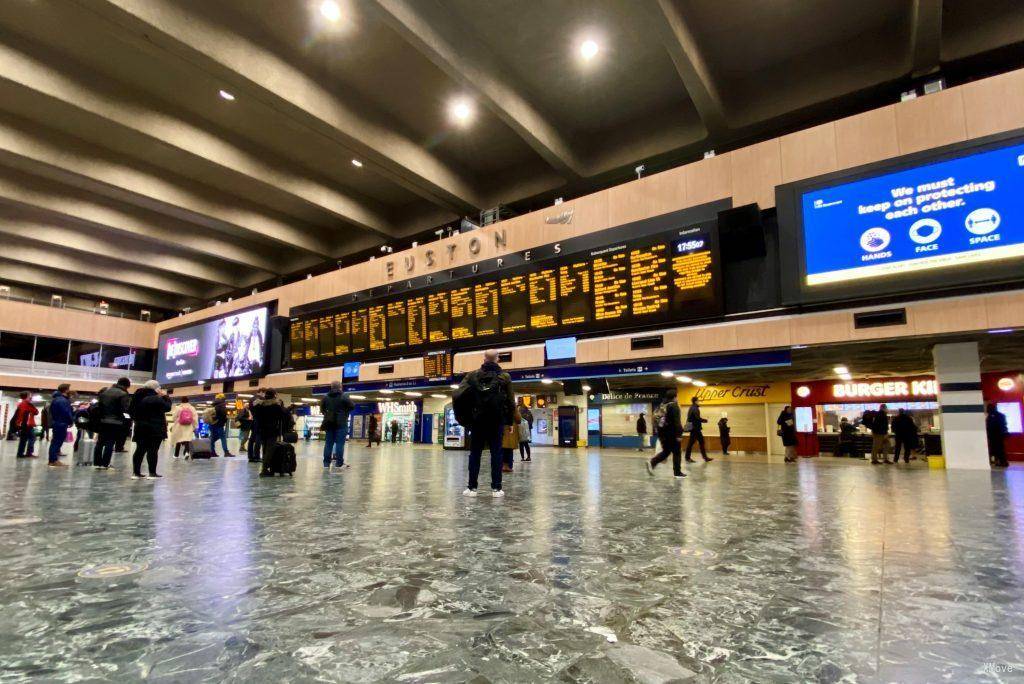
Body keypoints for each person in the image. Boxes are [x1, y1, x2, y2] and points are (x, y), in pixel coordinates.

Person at [455, 349, 516, 497]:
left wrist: (466, 419)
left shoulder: (471, 375)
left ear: (484, 359)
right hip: (497, 421)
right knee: (497, 453)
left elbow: (458, 395)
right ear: (497, 359)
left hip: (477, 421)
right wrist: (510, 421)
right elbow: (510, 401)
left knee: (475, 453)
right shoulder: (505, 377)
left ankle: (471, 488)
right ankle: (496, 489)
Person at [130, 380, 171, 479]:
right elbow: (167, 407)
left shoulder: (137, 396)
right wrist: (166, 397)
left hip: (140, 427)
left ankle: (136, 473)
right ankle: (152, 473)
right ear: (156, 388)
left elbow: (130, 411)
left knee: (140, 450)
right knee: (153, 450)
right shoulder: (155, 398)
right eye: (160, 388)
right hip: (154, 428)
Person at [252, 388, 292, 477]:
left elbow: (255, 415)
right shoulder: (275, 406)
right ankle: (264, 470)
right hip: (272, 431)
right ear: (274, 395)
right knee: (269, 450)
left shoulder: (259, 406)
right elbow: (283, 415)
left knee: (265, 449)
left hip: (262, 430)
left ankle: (266, 468)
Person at [94, 378, 131, 470]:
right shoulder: (123, 394)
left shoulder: (105, 392)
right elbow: (125, 409)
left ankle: (97, 463)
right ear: (127, 385)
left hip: (102, 421)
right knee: (110, 443)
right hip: (115, 422)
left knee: (100, 443)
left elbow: (99, 406)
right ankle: (105, 464)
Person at [647, 389, 685, 478]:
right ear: (675, 397)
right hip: (672, 433)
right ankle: (677, 472)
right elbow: (677, 422)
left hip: (662, 433)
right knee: (677, 452)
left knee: (666, 451)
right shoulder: (674, 406)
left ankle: (652, 462)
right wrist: (679, 434)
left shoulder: (662, 405)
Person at [321, 381, 355, 471]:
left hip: (329, 423)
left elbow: (322, 409)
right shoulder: (344, 396)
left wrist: (328, 414)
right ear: (340, 387)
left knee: (328, 444)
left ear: (331, 387)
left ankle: (326, 464)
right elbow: (352, 406)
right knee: (340, 444)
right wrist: (345, 412)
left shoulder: (326, 397)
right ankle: (339, 464)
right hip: (341, 423)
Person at [47, 383, 73, 467]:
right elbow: (66, 412)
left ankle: (52, 460)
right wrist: (71, 421)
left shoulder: (56, 399)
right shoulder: (62, 400)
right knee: (57, 442)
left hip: (57, 422)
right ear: (66, 390)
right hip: (61, 423)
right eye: (68, 389)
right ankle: (53, 460)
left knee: (55, 442)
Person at [684, 396, 712, 463]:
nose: (699, 402)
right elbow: (697, 418)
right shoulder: (694, 408)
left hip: (695, 428)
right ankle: (688, 457)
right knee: (693, 443)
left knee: (700, 442)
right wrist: (704, 420)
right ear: (695, 401)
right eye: (698, 401)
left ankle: (704, 457)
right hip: (695, 429)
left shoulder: (692, 407)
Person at [13, 391, 39, 458]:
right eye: (30, 395)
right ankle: (29, 453)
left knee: (23, 439)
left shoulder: (21, 404)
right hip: (27, 425)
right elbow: (36, 412)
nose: (31, 397)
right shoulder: (27, 404)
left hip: (22, 424)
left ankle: (20, 454)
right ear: (27, 396)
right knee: (32, 438)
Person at [209, 393, 234, 457]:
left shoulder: (213, 404)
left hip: (212, 423)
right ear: (222, 398)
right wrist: (225, 420)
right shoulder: (222, 404)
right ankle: (226, 452)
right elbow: (223, 414)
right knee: (223, 437)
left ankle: (212, 452)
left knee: (212, 437)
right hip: (219, 424)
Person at [987, 403, 1009, 468]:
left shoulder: (992, 416)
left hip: (996, 435)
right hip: (999, 435)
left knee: (998, 449)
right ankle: (1001, 461)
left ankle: (1002, 462)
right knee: (999, 449)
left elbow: (992, 426)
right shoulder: (1000, 415)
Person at [247, 389, 265, 462]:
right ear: (261, 392)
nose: (264, 395)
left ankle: (250, 456)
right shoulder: (261, 399)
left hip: (254, 421)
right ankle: (256, 456)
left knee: (251, 439)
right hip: (260, 421)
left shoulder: (251, 399)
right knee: (258, 439)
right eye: (264, 393)